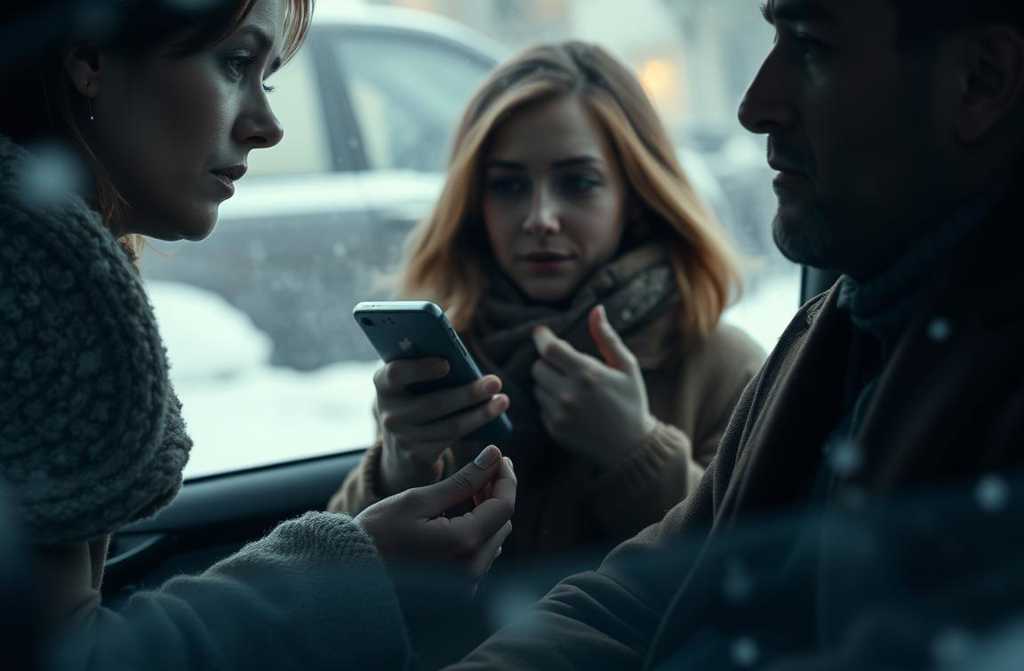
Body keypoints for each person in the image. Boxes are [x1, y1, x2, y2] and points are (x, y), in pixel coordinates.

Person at [442, 0, 1024, 668]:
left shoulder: (808, 350)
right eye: (508, 186)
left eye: (811, 45)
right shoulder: (830, 330)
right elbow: (641, 594)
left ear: (980, 80)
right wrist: (407, 463)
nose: (754, 106)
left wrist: (635, 453)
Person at [0, 2, 516, 669]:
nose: (268, 127)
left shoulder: (41, 269)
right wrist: (356, 574)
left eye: (265, 78)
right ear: (89, 58)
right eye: (235, 63)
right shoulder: (39, 290)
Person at [329, 42, 765, 568]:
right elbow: (339, 577)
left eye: (578, 183)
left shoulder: (726, 367)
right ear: (475, 203)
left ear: (635, 196)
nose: (540, 218)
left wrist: (636, 449)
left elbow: (748, 572)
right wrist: (398, 469)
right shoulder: (442, 365)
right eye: (508, 185)